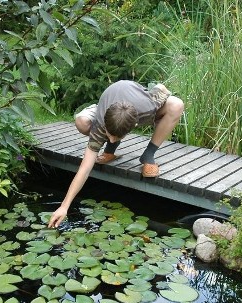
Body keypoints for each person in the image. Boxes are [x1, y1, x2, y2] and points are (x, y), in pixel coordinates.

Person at [48, 80, 184, 228]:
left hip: (135, 100)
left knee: (177, 105)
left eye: (116, 138)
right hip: (107, 106)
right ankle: (109, 150)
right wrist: (64, 206)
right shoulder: (100, 123)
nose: (111, 139)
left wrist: (156, 94)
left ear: (135, 126)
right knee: (82, 122)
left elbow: (161, 88)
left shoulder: (148, 105)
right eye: (109, 135)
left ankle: (148, 154)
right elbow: (84, 169)